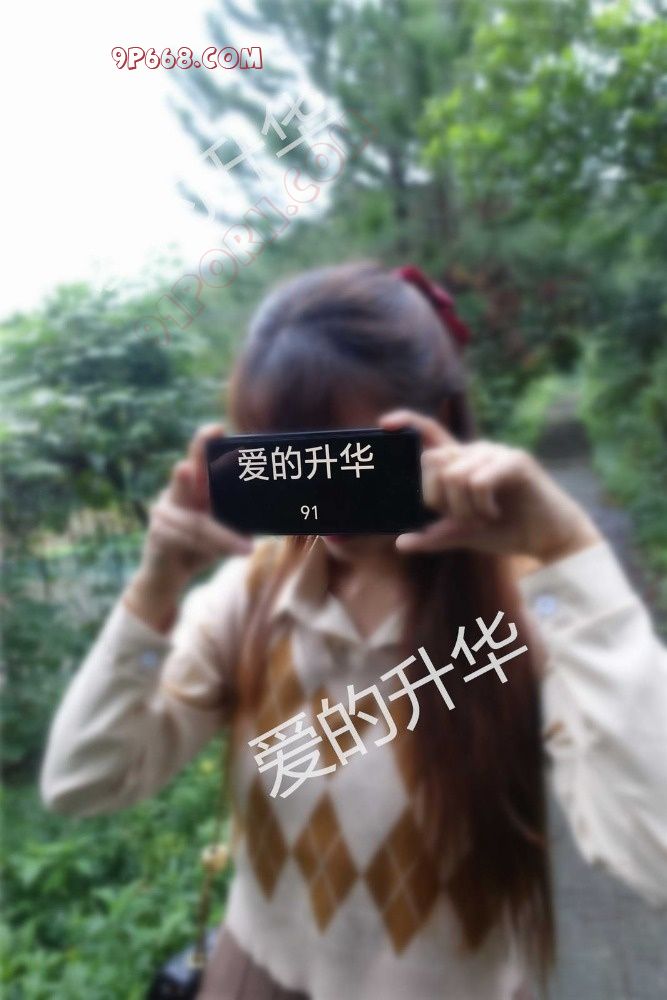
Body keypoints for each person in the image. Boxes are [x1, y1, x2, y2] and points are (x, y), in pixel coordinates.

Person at [40, 261, 667, 1000]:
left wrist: (571, 559)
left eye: (347, 458)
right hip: (256, 977)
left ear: (436, 420)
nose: (320, 497)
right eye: (288, 460)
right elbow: (81, 781)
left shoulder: (533, 612)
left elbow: (652, 854)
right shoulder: (251, 597)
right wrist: (152, 593)